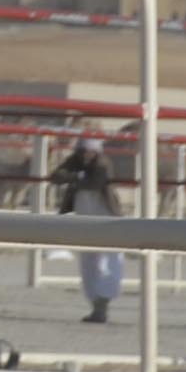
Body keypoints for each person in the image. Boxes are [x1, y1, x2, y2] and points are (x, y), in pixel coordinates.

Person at [54, 135, 123, 323]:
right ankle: (95, 306)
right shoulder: (76, 162)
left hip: (106, 217)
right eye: (83, 151)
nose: (86, 155)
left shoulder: (102, 163)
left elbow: (95, 182)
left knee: (107, 260)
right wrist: (78, 175)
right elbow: (57, 176)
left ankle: (102, 304)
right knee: (88, 262)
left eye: (90, 151)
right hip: (83, 217)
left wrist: (76, 177)